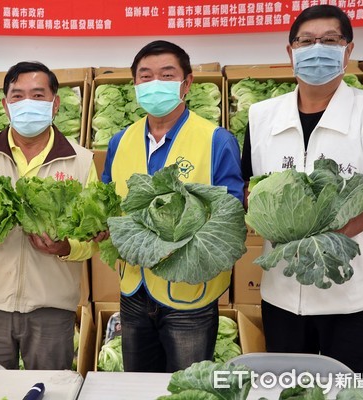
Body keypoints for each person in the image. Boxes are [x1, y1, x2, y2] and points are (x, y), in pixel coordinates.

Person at [241, 5, 363, 373]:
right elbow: (252, 187)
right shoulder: (260, 116)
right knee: (289, 390)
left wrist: (324, 242)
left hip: (355, 298)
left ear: (348, 50)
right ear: (290, 51)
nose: (317, 49)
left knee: (353, 393)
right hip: (280, 294)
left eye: (329, 41)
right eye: (306, 41)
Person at [0, 61, 103, 370]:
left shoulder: (81, 161)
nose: (27, 103)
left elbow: (92, 236)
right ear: (5, 105)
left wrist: (66, 247)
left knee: (49, 389)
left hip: (52, 307)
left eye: (38, 95)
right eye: (17, 96)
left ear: (55, 103)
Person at [101, 40, 243, 373]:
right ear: (134, 83)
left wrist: (175, 246)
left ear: (187, 82)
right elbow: (108, 201)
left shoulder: (215, 139)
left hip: (189, 293)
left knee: (186, 386)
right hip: (134, 288)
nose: (154, 84)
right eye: (145, 76)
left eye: (166, 75)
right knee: (137, 385)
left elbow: (230, 214)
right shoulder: (119, 140)